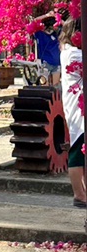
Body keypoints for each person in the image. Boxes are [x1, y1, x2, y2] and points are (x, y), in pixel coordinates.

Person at [60, 17, 86, 209]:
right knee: (78, 150)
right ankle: (79, 194)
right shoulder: (75, 54)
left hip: (76, 105)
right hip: (78, 108)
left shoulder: (68, 51)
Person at [33, 15, 61, 84]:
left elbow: (34, 21)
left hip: (46, 63)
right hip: (54, 62)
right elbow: (65, 24)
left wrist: (47, 15)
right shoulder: (58, 35)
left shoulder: (39, 34)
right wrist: (54, 16)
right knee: (55, 86)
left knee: (45, 85)